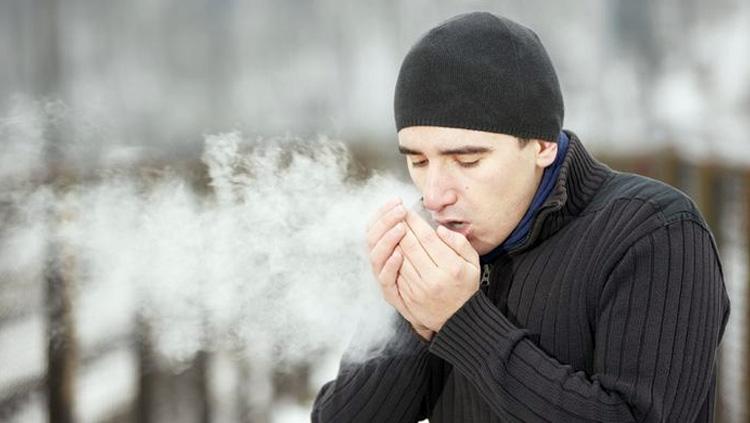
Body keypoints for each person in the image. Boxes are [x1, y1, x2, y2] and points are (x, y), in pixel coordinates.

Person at [312, 11, 730, 422]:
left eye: (468, 160)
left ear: (543, 144)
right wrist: (414, 319)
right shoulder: (437, 247)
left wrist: (462, 321)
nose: (435, 195)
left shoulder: (656, 233)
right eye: (419, 161)